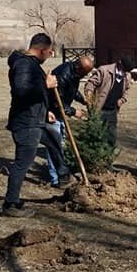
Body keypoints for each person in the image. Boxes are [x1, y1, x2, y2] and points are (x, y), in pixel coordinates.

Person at [3, 33, 71, 216]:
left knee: (54, 139)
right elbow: (22, 90)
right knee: (22, 164)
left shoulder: (30, 64)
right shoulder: (24, 65)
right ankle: (10, 204)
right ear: (41, 50)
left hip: (36, 119)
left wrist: (45, 110)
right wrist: (46, 85)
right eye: (49, 52)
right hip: (26, 123)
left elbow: (31, 94)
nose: (49, 56)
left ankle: (64, 176)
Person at [45, 55, 93, 187]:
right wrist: (73, 111)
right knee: (54, 144)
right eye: (85, 73)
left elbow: (72, 91)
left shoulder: (74, 74)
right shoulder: (64, 75)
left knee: (60, 143)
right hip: (51, 114)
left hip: (60, 112)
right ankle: (56, 179)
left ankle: (62, 174)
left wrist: (83, 100)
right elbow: (56, 102)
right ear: (79, 67)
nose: (85, 75)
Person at [84, 56, 134, 147]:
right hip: (99, 110)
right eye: (123, 69)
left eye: (126, 71)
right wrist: (89, 97)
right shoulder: (104, 70)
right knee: (96, 137)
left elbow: (127, 90)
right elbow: (90, 84)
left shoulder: (127, 76)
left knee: (111, 137)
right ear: (119, 63)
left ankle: (108, 157)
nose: (125, 72)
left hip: (113, 111)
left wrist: (122, 100)